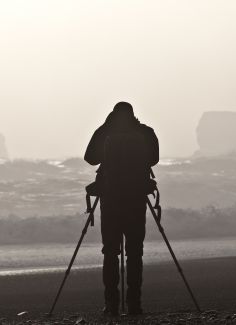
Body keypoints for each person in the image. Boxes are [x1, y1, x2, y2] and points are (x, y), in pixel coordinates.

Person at [84, 102, 159, 316]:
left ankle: (111, 304)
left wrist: (105, 128)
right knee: (135, 253)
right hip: (135, 198)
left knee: (110, 252)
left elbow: (90, 158)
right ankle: (135, 304)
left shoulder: (106, 131)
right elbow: (154, 159)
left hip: (111, 199)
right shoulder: (145, 132)